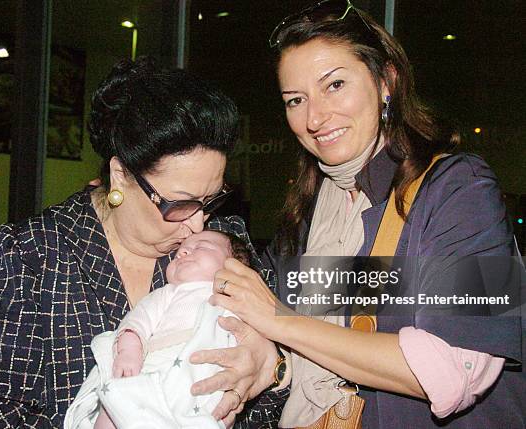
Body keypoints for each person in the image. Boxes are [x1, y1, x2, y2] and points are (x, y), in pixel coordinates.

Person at [209, 1, 524, 428]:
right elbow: (327, 333)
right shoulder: (317, 204)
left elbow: (456, 369)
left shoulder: (461, 188)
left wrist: (279, 320)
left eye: (335, 84)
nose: (315, 117)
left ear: (385, 81)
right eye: (295, 100)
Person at [0, 57, 288, 428]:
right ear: (120, 176)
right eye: (180, 203)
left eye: (210, 200)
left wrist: (274, 370)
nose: (199, 224)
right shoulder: (33, 252)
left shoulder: (225, 243)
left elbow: (287, 384)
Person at [65, 230, 252, 428]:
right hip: (156, 369)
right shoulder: (168, 294)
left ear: (235, 268)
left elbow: (262, 331)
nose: (183, 252)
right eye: (180, 250)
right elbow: (137, 320)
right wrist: (129, 349)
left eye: (200, 247)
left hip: (202, 383)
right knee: (117, 403)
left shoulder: (241, 299)